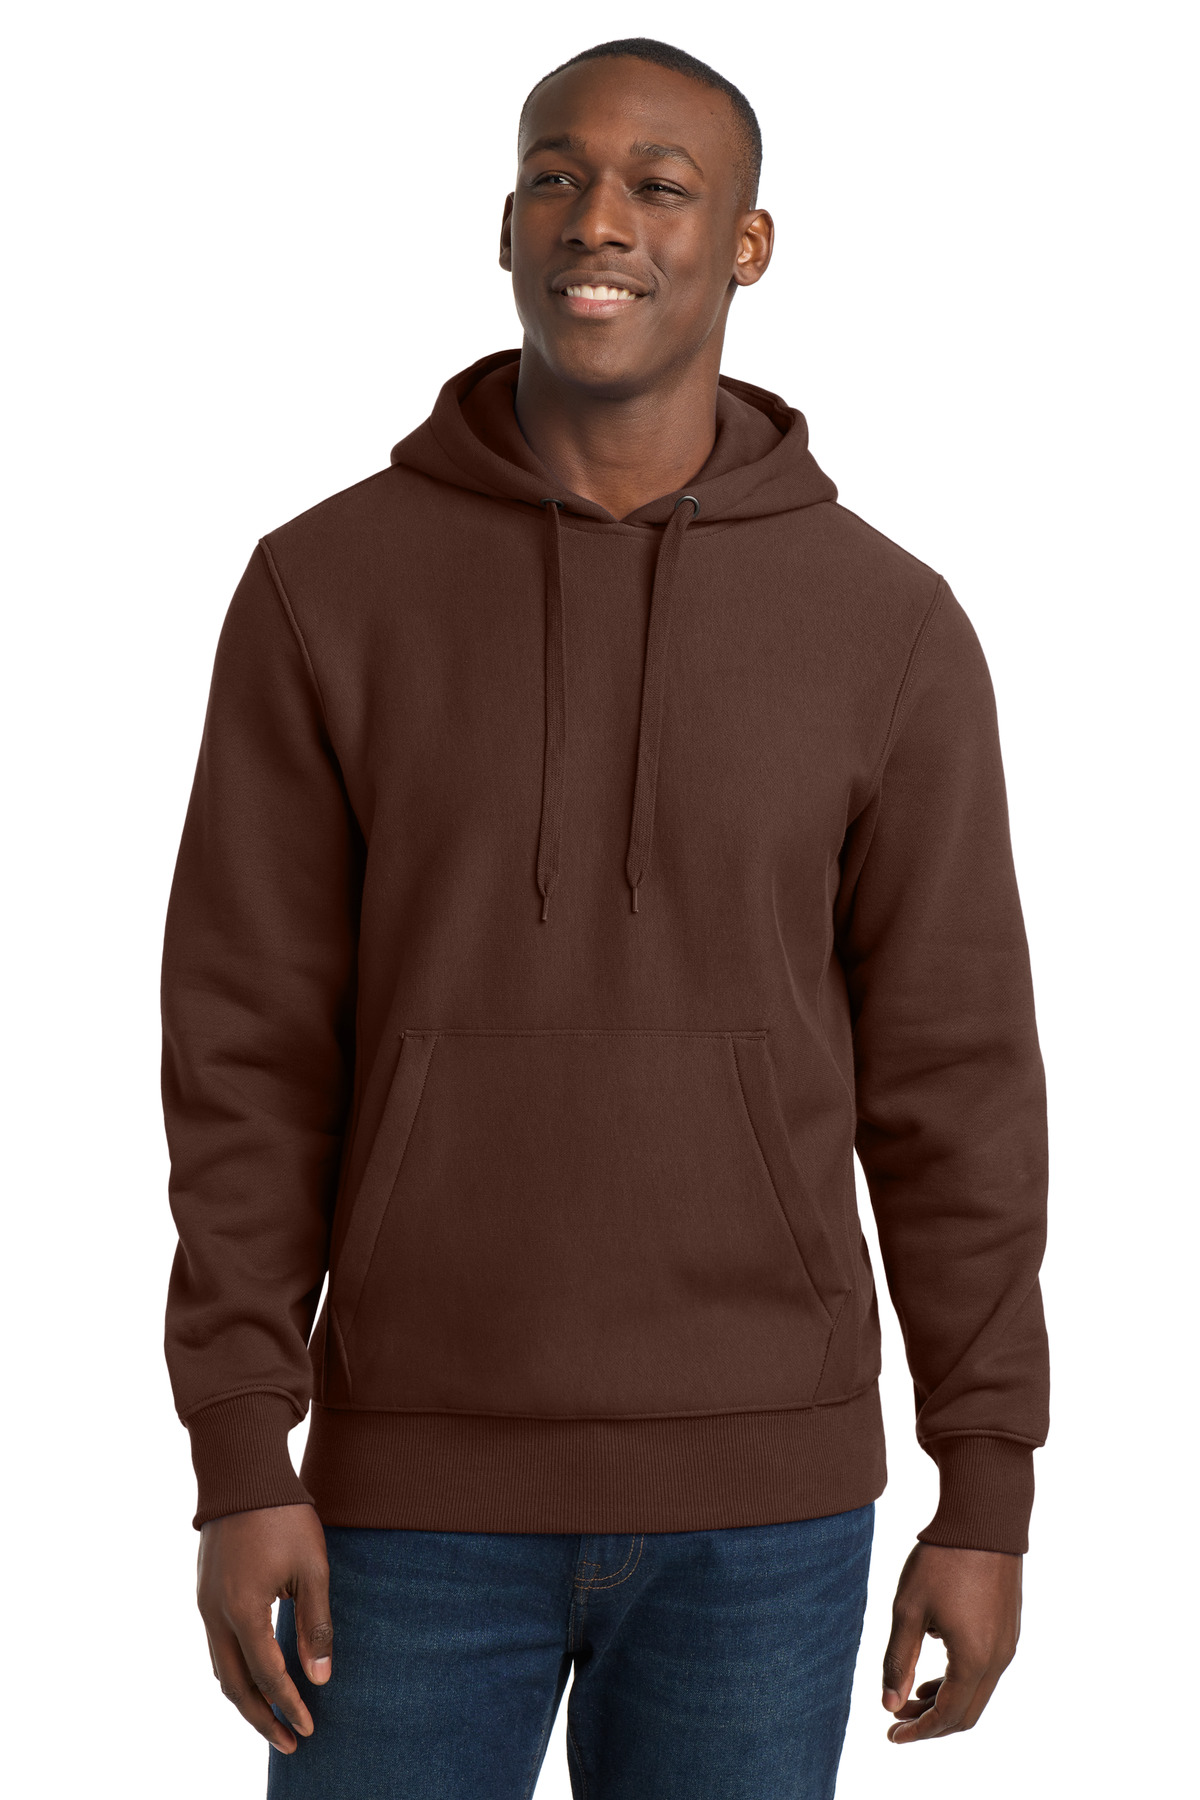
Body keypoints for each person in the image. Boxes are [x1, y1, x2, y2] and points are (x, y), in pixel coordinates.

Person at [161, 37, 1049, 1800]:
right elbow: (245, 1056)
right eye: (557, 177)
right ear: (505, 226)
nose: (600, 221)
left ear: (748, 244)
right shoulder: (324, 590)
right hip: (404, 1504)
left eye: (661, 186)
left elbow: (955, 1084)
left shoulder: (888, 628)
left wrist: (988, 1483)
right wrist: (242, 1452)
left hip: (765, 1515)